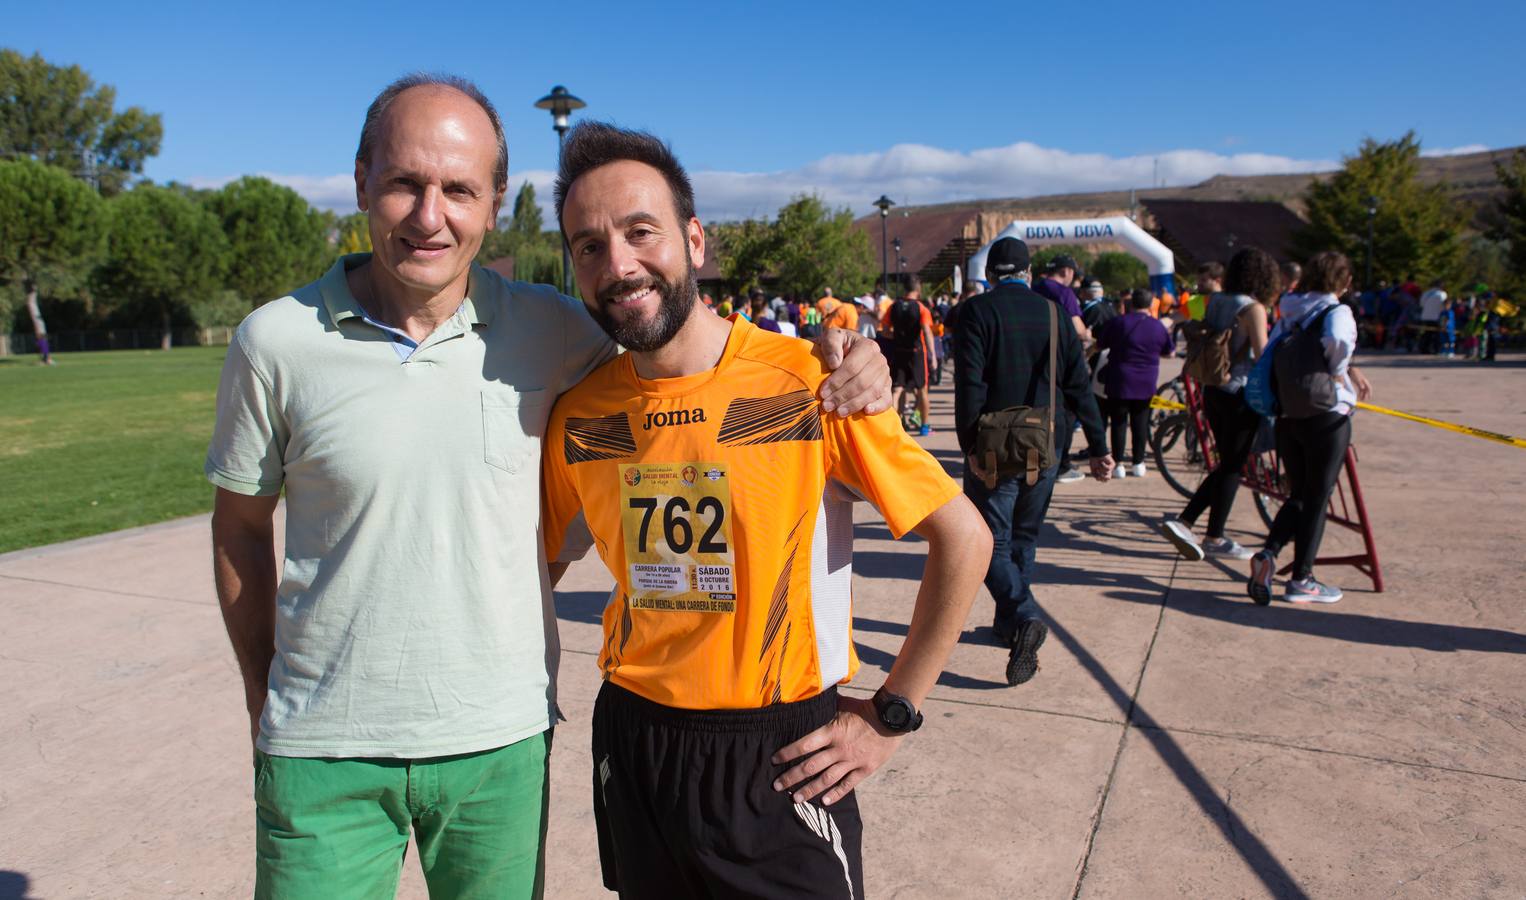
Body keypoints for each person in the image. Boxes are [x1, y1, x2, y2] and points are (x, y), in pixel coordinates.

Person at [206, 74, 890, 900]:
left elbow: (677, 350)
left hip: (500, 744)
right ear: (360, 182)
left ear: (494, 202)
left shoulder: (559, 329)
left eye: (458, 189)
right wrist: (261, 696)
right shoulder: (275, 341)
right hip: (322, 749)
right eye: (403, 184)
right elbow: (240, 527)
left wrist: (847, 349)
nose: (431, 216)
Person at [543, 121, 992, 898]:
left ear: (694, 240)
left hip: (780, 752)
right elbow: (538, 565)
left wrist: (892, 714)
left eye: (640, 232)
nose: (617, 263)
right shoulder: (581, 415)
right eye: (588, 245)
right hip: (633, 738)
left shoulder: (813, 383)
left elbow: (964, 539)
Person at [954, 237, 1113, 686]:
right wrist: (1099, 446)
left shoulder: (977, 312)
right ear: (1027, 271)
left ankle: (1021, 618)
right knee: (1023, 536)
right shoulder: (1054, 312)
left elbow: (970, 385)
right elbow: (1079, 386)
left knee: (986, 543)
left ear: (989, 273)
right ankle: (1012, 623)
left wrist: (969, 444)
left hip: (993, 443)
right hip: (1048, 441)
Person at [1249, 251, 1373, 604]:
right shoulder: (1338, 311)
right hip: (1327, 413)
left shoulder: (1289, 308)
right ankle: (1302, 578)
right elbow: (1338, 343)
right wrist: (1341, 370)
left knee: (1300, 494)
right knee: (1318, 498)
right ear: (1344, 281)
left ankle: (1269, 553)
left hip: (1289, 413)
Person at [1157, 247, 1279, 561]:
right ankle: (1206, 531)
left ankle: (1193, 525)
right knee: (1232, 467)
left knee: (1227, 464)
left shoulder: (1216, 301)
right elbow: (1261, 354)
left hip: (1213, 389)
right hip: (1240, 393)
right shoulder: (1253, 308)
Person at [1095, 289, 1174, 478]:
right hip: (1146, 380)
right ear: (1150, 304)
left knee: (1118, 422)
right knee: (1141, 422)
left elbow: (1101, 344)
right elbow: (1169, 352)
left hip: (1119, 378)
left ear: (1131, 304)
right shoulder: (1157, 326)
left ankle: (1119, 463)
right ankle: (1138, 462)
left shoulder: (1119, 322)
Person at [1034, 255, 1092, 483]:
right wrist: (1089, 334)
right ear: (1067, 271)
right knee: (1066, 412)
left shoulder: (1034, 286)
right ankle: (1061, 465)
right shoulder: (1063, 293)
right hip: (1060, 359)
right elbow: (1079, 330)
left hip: (1034, 356)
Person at [883, 275, 937, 436]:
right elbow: (927, 331)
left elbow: (885, 331)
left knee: (897, 390)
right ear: (918, 289)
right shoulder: (921, 308)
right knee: (921, 389)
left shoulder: (893, 307)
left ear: (905, 289)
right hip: (916, 353)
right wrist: (933, 354)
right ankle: (925, 426)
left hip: (899, 351)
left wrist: (898, 338)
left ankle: (894, 425)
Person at [1418, 279, 1447, 354]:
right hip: (1437, 317)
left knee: (1427, 333)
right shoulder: (1442, 294)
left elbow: (1421, 304)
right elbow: (1444, 306)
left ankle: (1424, 348)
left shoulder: (1426, 293)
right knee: (1437, 334)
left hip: (1425, 316)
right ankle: (1436, 349)